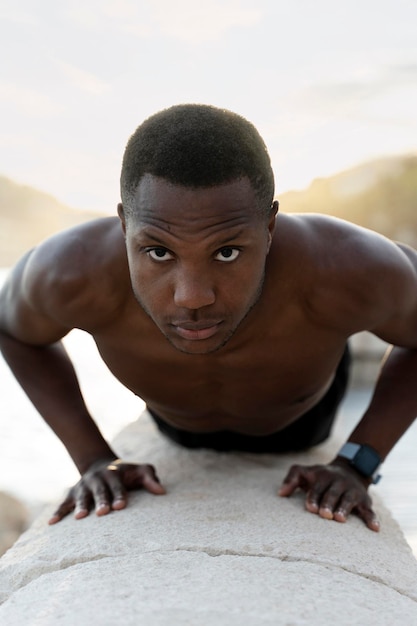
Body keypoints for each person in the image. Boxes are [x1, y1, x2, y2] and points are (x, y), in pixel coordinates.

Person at [1, 104, 417, 532]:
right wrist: (92, 458)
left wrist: (358, 462)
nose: (192, 297)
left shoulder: (348, 268)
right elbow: (14, 332)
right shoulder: (68, 272)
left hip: (302, 424)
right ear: (125, 224)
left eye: (227, 252)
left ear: (269, 226)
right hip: (174, 426)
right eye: (159, 252)